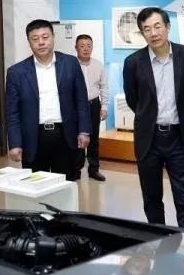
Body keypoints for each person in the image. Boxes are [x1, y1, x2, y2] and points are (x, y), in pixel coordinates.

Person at [123, 7, 184, 228]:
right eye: (147, 29)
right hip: (149, 138)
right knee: (152, 197)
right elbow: (133, 99)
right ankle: (158, 240)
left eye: (157, 26)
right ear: (142, 33)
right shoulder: (133, 62)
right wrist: (148, 117)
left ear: (167, 27)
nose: (153, 33)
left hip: (179, 136)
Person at [6, 19, 91, 180]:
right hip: (33, 138)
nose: (41, 42)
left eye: (45, 37)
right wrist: (15, 143)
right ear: (29, 42)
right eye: (35, 38)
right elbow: (12, 112)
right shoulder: (16, 72)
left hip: (65, 136)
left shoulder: (70, 63)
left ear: (53, 37)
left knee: (66, 185)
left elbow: (81, 100)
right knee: (36, 186)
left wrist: (84, 130)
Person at [74, 34, 108, 181]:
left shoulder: (98, 65)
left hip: (94, 105)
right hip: (76, 107)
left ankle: (94, 169)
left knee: (93, 139)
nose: (85, 49)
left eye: (89, 46)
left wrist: (104, 107)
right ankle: (76, 169)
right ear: (76, 48)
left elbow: (104, 87)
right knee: (77, 139)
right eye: (82, 46)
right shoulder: (71, 65)